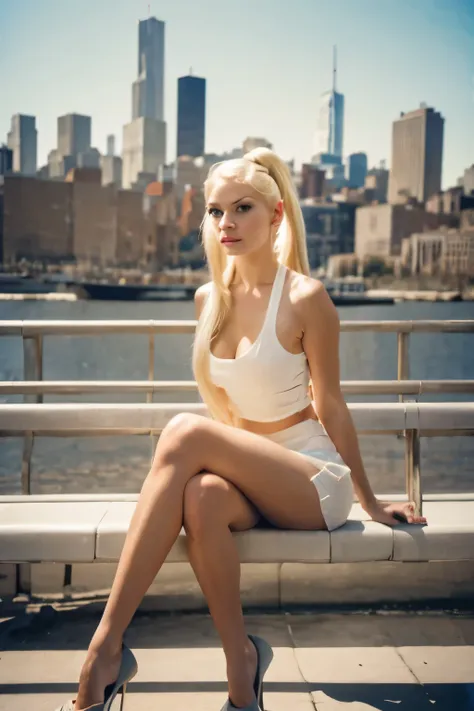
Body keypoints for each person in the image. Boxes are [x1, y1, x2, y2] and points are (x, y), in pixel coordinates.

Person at [56, 148, 427, 711]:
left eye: (242, 208)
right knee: (201, 497)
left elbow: (330, 404)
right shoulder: (209, 298)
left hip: (311, 480)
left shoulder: (307, 298)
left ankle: (103, 651)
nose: (225, 222)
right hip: (252, 472)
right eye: (214, 211)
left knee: (183, 431)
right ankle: (242, 669)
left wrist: (371, 503)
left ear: (276, 215)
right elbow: (230, 414)